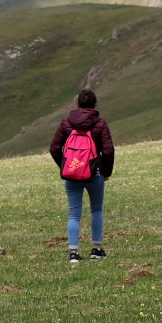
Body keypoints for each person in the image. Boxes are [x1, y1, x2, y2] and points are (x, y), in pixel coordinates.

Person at [48, 88, 115, 264]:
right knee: (96, 209)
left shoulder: (66, 122)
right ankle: (96, 249)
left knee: (74, 214)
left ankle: (73, 253)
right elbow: (108, 150)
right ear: (95, 105)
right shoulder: (100, 123)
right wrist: (106, 172)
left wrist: (66, 166)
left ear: (77, 104)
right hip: (96, 173)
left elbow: (54, 148)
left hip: (71, 174)